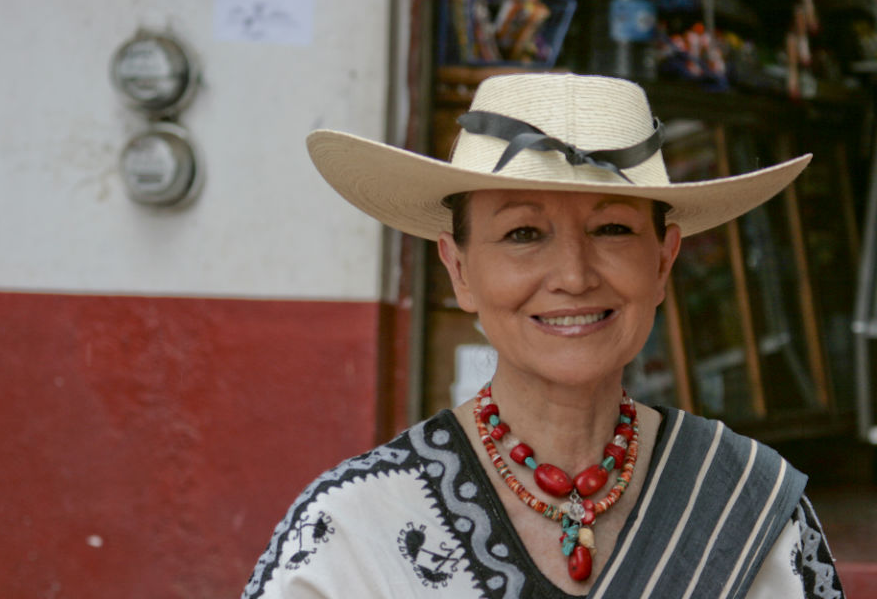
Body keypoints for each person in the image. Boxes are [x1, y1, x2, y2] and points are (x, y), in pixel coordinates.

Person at [242, 73, 844, 598]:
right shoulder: (357, 528)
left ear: (663, 262)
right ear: (459, 270)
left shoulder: (747, 503)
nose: (574, 276)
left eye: (611, 228)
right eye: (523, 234)